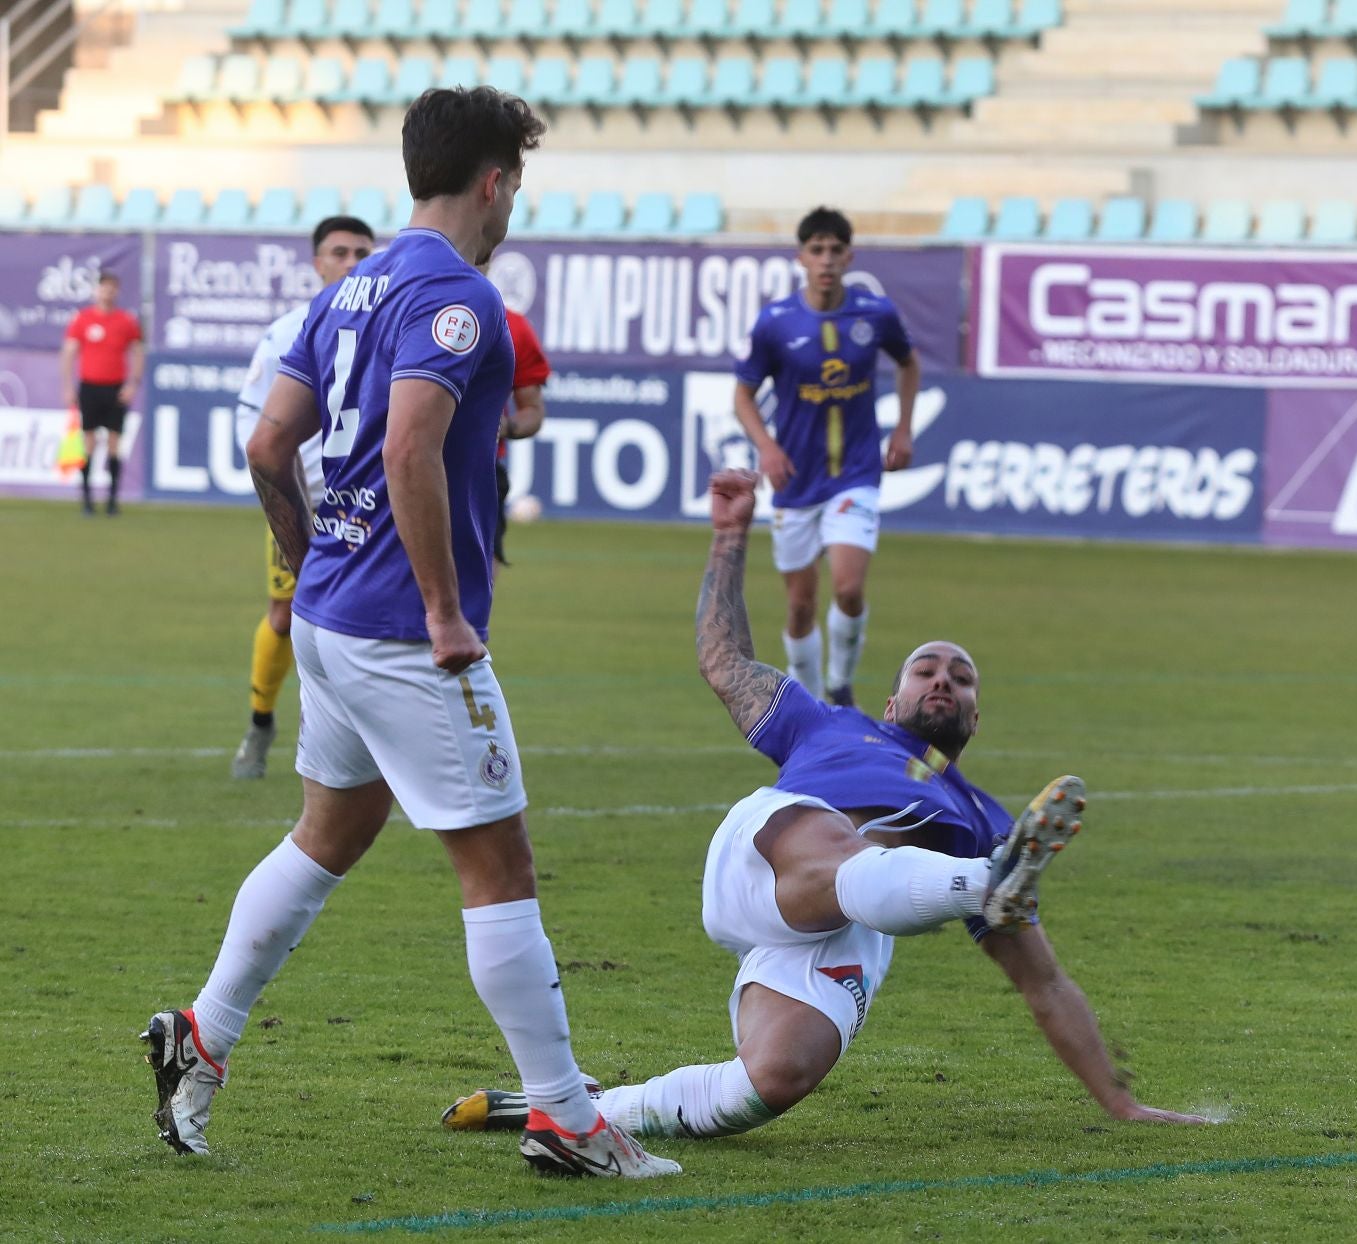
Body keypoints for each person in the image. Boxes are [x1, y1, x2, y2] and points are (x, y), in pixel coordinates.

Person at [140, 86, 679, 1181]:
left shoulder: (345, 292)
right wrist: (442, 610)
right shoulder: (461, 297)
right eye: (517, 180)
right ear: (495, 180)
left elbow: (267, 442)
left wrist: (301, 563)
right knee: (500, 863)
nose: (516, 199)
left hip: (331, 620)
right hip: (397, 630)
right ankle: (569, 1117)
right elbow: (410, 450)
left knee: (325, 836)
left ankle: (202, 1032)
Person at [438, 469, 1210, 1142]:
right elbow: (723, 660)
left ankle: (573, 1110)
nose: (942, 679)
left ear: (975, 718)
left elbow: (1042, 982)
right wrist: (729, 534)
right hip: (766, 854)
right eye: (926, 669)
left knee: (770, 1081)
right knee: (849, 847)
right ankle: (983, 888)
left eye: (962, 677)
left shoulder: (982, 820)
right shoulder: (831, 725)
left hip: (842, 927)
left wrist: (1120, 1102)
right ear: (891, 698)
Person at [733, 207, 921, 709]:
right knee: (799, 607)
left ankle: (840, 685)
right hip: (796, 482)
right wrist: (767, 447)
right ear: (801, 258)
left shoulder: (874, 313)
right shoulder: (775, 323)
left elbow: (909, 363)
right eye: (816, 250)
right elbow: (743, 397)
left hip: (856, 474)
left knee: (849, 586)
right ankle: (811, 701)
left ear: (850, 256)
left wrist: (903, 427)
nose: (827, 260)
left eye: (836, 250)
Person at [231, 216, 378, 780]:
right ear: (317, 263)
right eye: (338, 252)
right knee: (287, 616)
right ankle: (260, 722)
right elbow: (254, 426)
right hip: (302, 506)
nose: (349, 261)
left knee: (370, 620)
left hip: (371, 509)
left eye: (361, 251)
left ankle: (360, 742)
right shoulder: (288, 332)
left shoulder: (391, 328)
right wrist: (282, 503)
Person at [60, 270, 145, 516]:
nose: (108, 292)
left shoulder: (126, 321)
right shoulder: (83, 319)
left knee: (114, 444)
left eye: (112, 288)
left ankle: (112, 500)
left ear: (116, 291)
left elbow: (138, 352)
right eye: (104, 288)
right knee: (88, 442)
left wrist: (133, 384)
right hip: (90, 387)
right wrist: (67, 386)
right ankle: (87, 500)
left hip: (116, 389)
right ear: (96, 290)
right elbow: (69, 352)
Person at [494, 303, 549, 565]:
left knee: (474, 596)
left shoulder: (511, 324)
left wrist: (502, 427)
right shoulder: (405, 308)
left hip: (481, 477)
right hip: (405, 468)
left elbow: (532, 411)